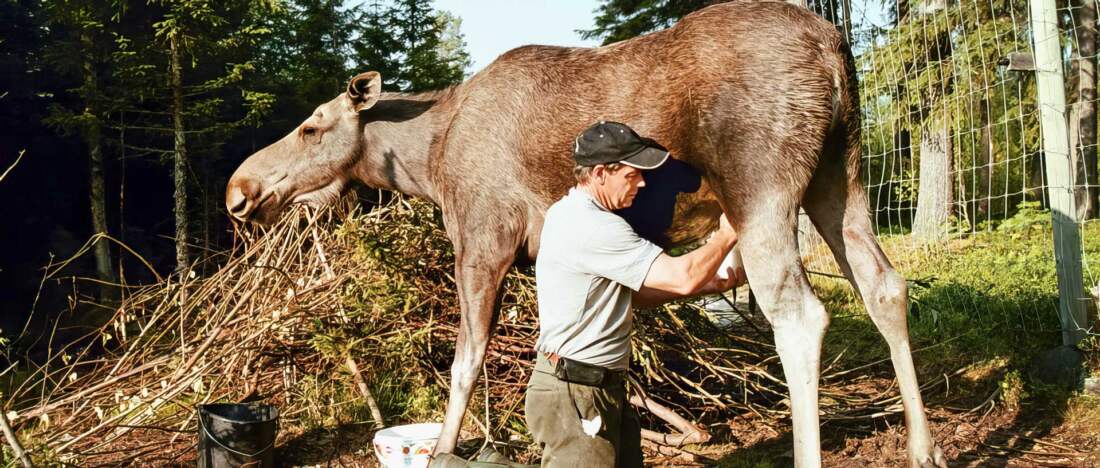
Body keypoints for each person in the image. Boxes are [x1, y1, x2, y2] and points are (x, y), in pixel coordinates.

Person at [526, 121, 745, 467]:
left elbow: (634, 295)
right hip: (575, 392)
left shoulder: (571, 213)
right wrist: (727, 235)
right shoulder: (593, 226)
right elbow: (682, 276)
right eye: (632, 175)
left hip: (598, 388)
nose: (642, 183)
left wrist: (709, 284)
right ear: (600, 173)